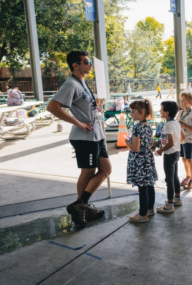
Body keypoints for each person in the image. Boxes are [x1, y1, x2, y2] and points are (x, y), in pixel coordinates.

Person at [47, 51, 111, 226]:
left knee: (106, 170)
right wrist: (78, 123)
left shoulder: (82, 83)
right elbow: (52, 107)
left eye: (90, 61)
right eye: (86, 62)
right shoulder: (71, 84)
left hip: (96, 135)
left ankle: (80, 205)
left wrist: (96, 106)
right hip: (84, 137)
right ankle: (82, 208)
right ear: (75, 65)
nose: (90, 65)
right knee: (88, 172)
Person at [126, 99, 158, 223]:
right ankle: (150, 209)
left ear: (142, 112)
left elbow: (135, 148)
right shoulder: (149, 126)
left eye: (133, 112)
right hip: (148, 158)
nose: (131, 114)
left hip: (139, 160)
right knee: (149, 184)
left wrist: (127, 142)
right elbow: (150, 143)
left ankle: (142, 214)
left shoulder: (137, 128)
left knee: (142, 188)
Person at [155, 101, 181, 214]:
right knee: (175, 177)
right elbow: (181, 137)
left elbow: (170, 143)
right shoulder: (176, 123)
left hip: (169, 154)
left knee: (169, 179)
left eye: (161, 109)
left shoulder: (167, 125)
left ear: (167, 112)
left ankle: (169, 205)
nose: (159, 111)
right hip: (176, 153)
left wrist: (160, 150)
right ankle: (177, 199)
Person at [177, 91, 192, 190]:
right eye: (180, 100)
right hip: (181, 139)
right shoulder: (180, 112)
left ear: (190, 102)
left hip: (189, 140)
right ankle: (188, 176)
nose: (181, 102)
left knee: (190, 159)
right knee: (184, 159)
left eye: (184, 100)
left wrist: (184, 125)